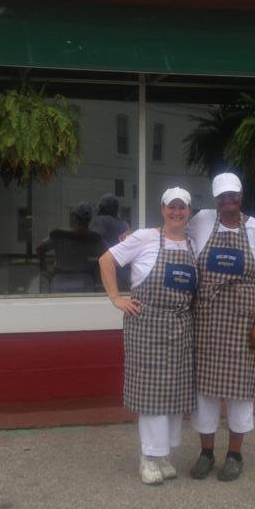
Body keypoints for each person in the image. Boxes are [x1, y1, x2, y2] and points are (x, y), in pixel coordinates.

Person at [98, 188, 198, 485]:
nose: (177, 212)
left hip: (180, 325)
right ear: (162, 209)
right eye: (171, 207)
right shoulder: (144, 238)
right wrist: (116, 297)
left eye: (182, 208)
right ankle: (148, 457)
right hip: (148, 324)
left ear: (189, 212)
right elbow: (106, 260)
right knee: (152, 393)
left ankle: (164, 455)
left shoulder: (192, 243)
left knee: (175, 392)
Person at [186, 172, 255, 482]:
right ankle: (206, 453)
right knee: (205, 393)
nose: (228, 201)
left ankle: (235, 455)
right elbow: (170, 230)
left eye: (233, 195)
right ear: (215, 199)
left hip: (243, 323)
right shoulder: (202, 221)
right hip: (208, 322)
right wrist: (134, 236)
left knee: (240, 392)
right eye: (223, 197)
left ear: (241, 195)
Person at [37, 202, 105, 293]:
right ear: (89, 220)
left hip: (59, 281)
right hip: (84, 281)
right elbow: (107, 254)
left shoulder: (59, 234)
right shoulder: (94, 238)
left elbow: (40, 248)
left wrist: (43, 269)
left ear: (74, 217)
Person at [91, 194, 131, 292]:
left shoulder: (101, 220)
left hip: (106, 268)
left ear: (102, 207)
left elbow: (93, 237)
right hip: (123, 271)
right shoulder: (125, 224)